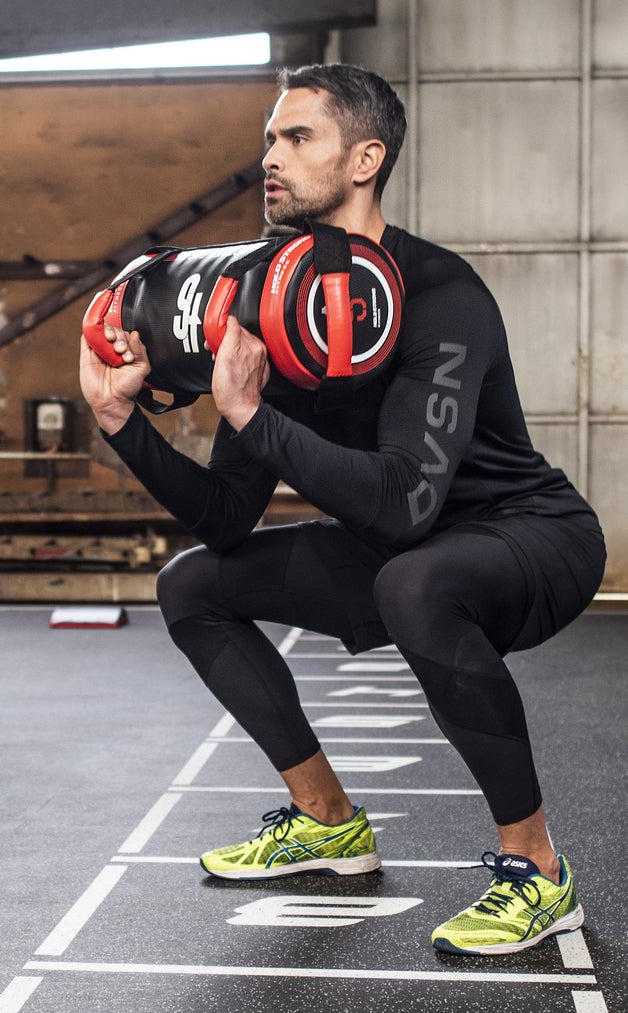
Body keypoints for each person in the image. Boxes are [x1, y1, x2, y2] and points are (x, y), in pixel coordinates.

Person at [79, 62, 606, 956]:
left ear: (366, 158)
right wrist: (121, 421)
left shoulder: (440, 294)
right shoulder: (264, 300)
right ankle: (327, 821)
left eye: (297, 138)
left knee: (412, 580)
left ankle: (538, 871)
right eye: (269, 139)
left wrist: (248, 411)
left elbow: (406, 501)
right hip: (401, 555)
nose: (270, 158)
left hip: (528, 538)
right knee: (193, 586)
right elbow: (225, 517)